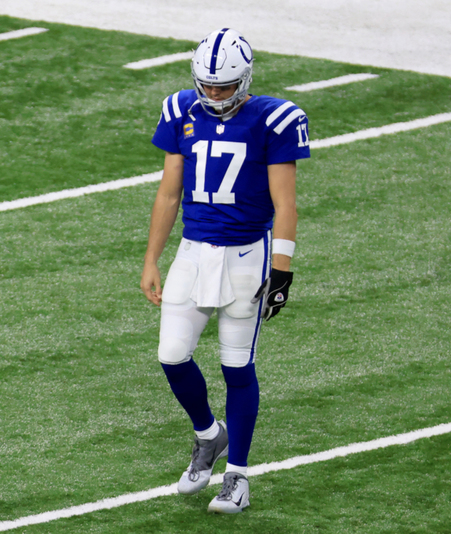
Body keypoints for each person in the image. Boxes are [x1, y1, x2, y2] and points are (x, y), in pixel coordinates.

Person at [140, 28, 311, 514]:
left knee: (236, 365)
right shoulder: (180, 110)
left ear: (245, 78)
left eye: (224, 86)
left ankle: (237, 475)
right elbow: (169, 192)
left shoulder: (274, 118)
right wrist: (152, 258)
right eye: (208, 86)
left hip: (245, 255)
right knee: (172, 355)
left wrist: (282, 268)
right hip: (193, 252)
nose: (214, 95)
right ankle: (208, 435)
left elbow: (285, 201)